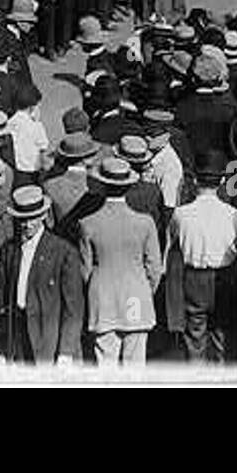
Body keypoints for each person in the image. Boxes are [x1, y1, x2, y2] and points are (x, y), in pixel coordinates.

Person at [78, 157, 163, 366]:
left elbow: (85, 270)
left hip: (103, 301)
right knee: (135, 366)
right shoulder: (145, 223)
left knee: (105, 366)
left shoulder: (87, 224)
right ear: (128, 185)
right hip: (135, 297)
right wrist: (144, 289)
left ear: (103, 185)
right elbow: (154, 268)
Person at [0, 186, 84, 365]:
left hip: (48, 342)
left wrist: (66, 351)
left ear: (44, 216)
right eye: (22, 219)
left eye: (32, 219)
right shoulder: (8, 249)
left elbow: (74, 309)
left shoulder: (64, 252)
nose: (27, 224)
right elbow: (0, 286)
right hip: (17, 337)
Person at [168, 150, 237, 362]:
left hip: (194, 279)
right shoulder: (233, 214)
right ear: (221, 181)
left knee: (195, 335)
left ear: (195, 180)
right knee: (221, 335)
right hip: (224, 278)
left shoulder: (181, 214)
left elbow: (174, 242)